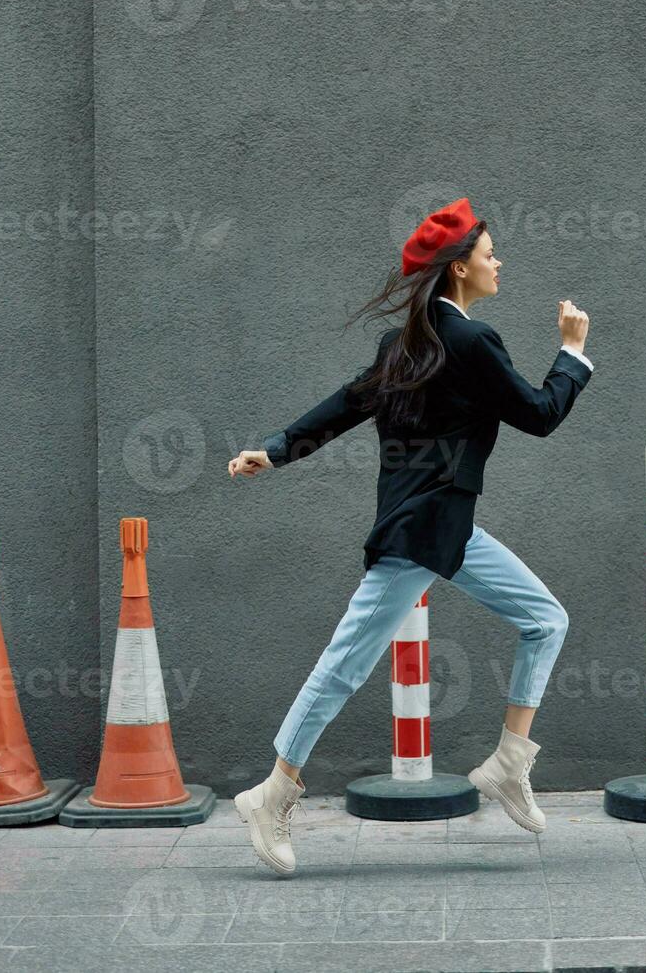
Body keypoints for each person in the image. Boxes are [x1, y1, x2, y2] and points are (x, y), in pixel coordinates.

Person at [227, 196, 594, 875]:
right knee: (343, 665)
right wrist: (572, 352)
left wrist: (277, 449)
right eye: (489, 254)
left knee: (545, 618)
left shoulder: (405, 345)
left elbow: (345, 404)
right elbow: (540, 414)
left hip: (441, 528)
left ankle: (508, 764)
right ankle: (272, 793)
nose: (498, 262)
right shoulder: (472, 342)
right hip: (422, 535)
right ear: (459, 270)